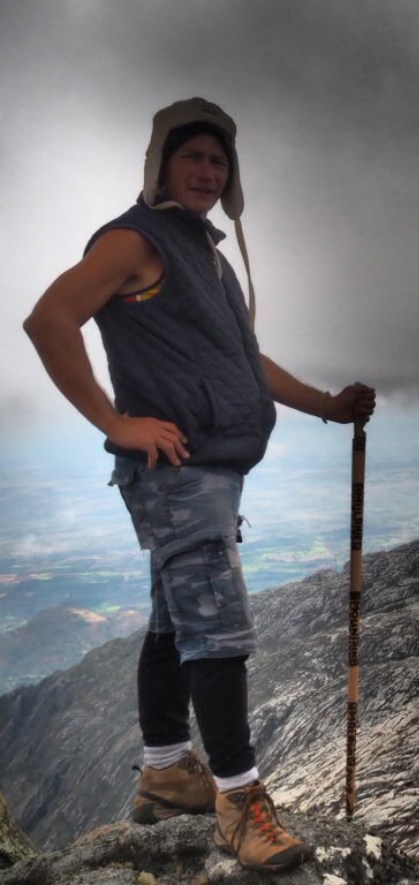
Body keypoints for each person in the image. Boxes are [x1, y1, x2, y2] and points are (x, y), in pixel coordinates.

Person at [23, 98, 376, 874]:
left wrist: (327, 406)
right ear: (161, 165)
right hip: (180, 472)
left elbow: (245, 360)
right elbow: (49, 319)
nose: (209, 174)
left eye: (219, 163)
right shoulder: (134, 240)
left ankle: (165, 770)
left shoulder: (203, 253)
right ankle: (240, 806)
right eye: (193, 159)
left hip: (206, 470)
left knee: (175, 619)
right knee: (216, 630)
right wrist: (115, 422)